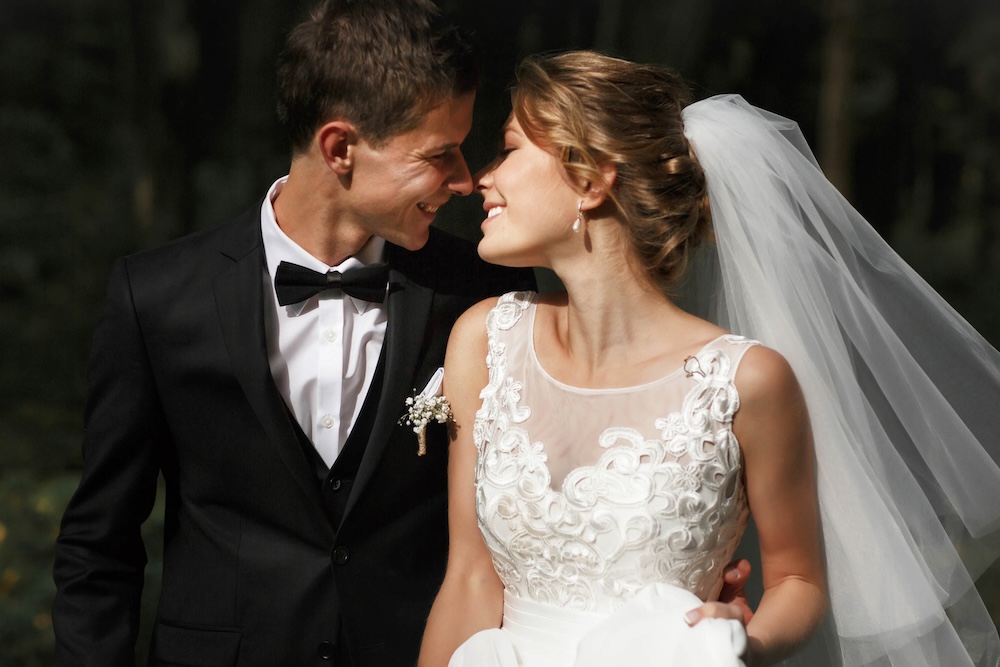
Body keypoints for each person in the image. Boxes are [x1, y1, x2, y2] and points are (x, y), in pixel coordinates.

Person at [418, 51, 1000, 667]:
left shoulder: (747, 381)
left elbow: (798, 582)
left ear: (590, 180)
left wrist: (740, 642)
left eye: (509, 148)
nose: (484, 177)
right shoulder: (485, 339)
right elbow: (469, 579)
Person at [51, 1, 536, 665]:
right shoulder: (158, 297)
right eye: (438, 154)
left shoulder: (482, 295)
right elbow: (98, 545)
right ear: (340, 148)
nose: (462, 179)